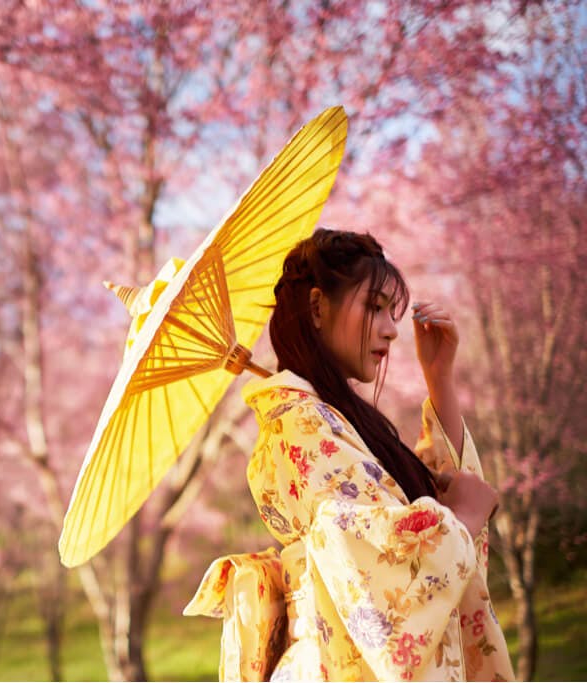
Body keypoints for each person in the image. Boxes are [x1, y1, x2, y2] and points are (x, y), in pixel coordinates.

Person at [184, 229, 515, 681]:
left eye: (391, 312)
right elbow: (378, 565)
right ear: (318, 308)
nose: (392, 329)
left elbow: (417, 504)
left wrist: (439, 380)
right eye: (374, 307)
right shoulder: (299, 426)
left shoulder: (331, 419)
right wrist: (463, 520)